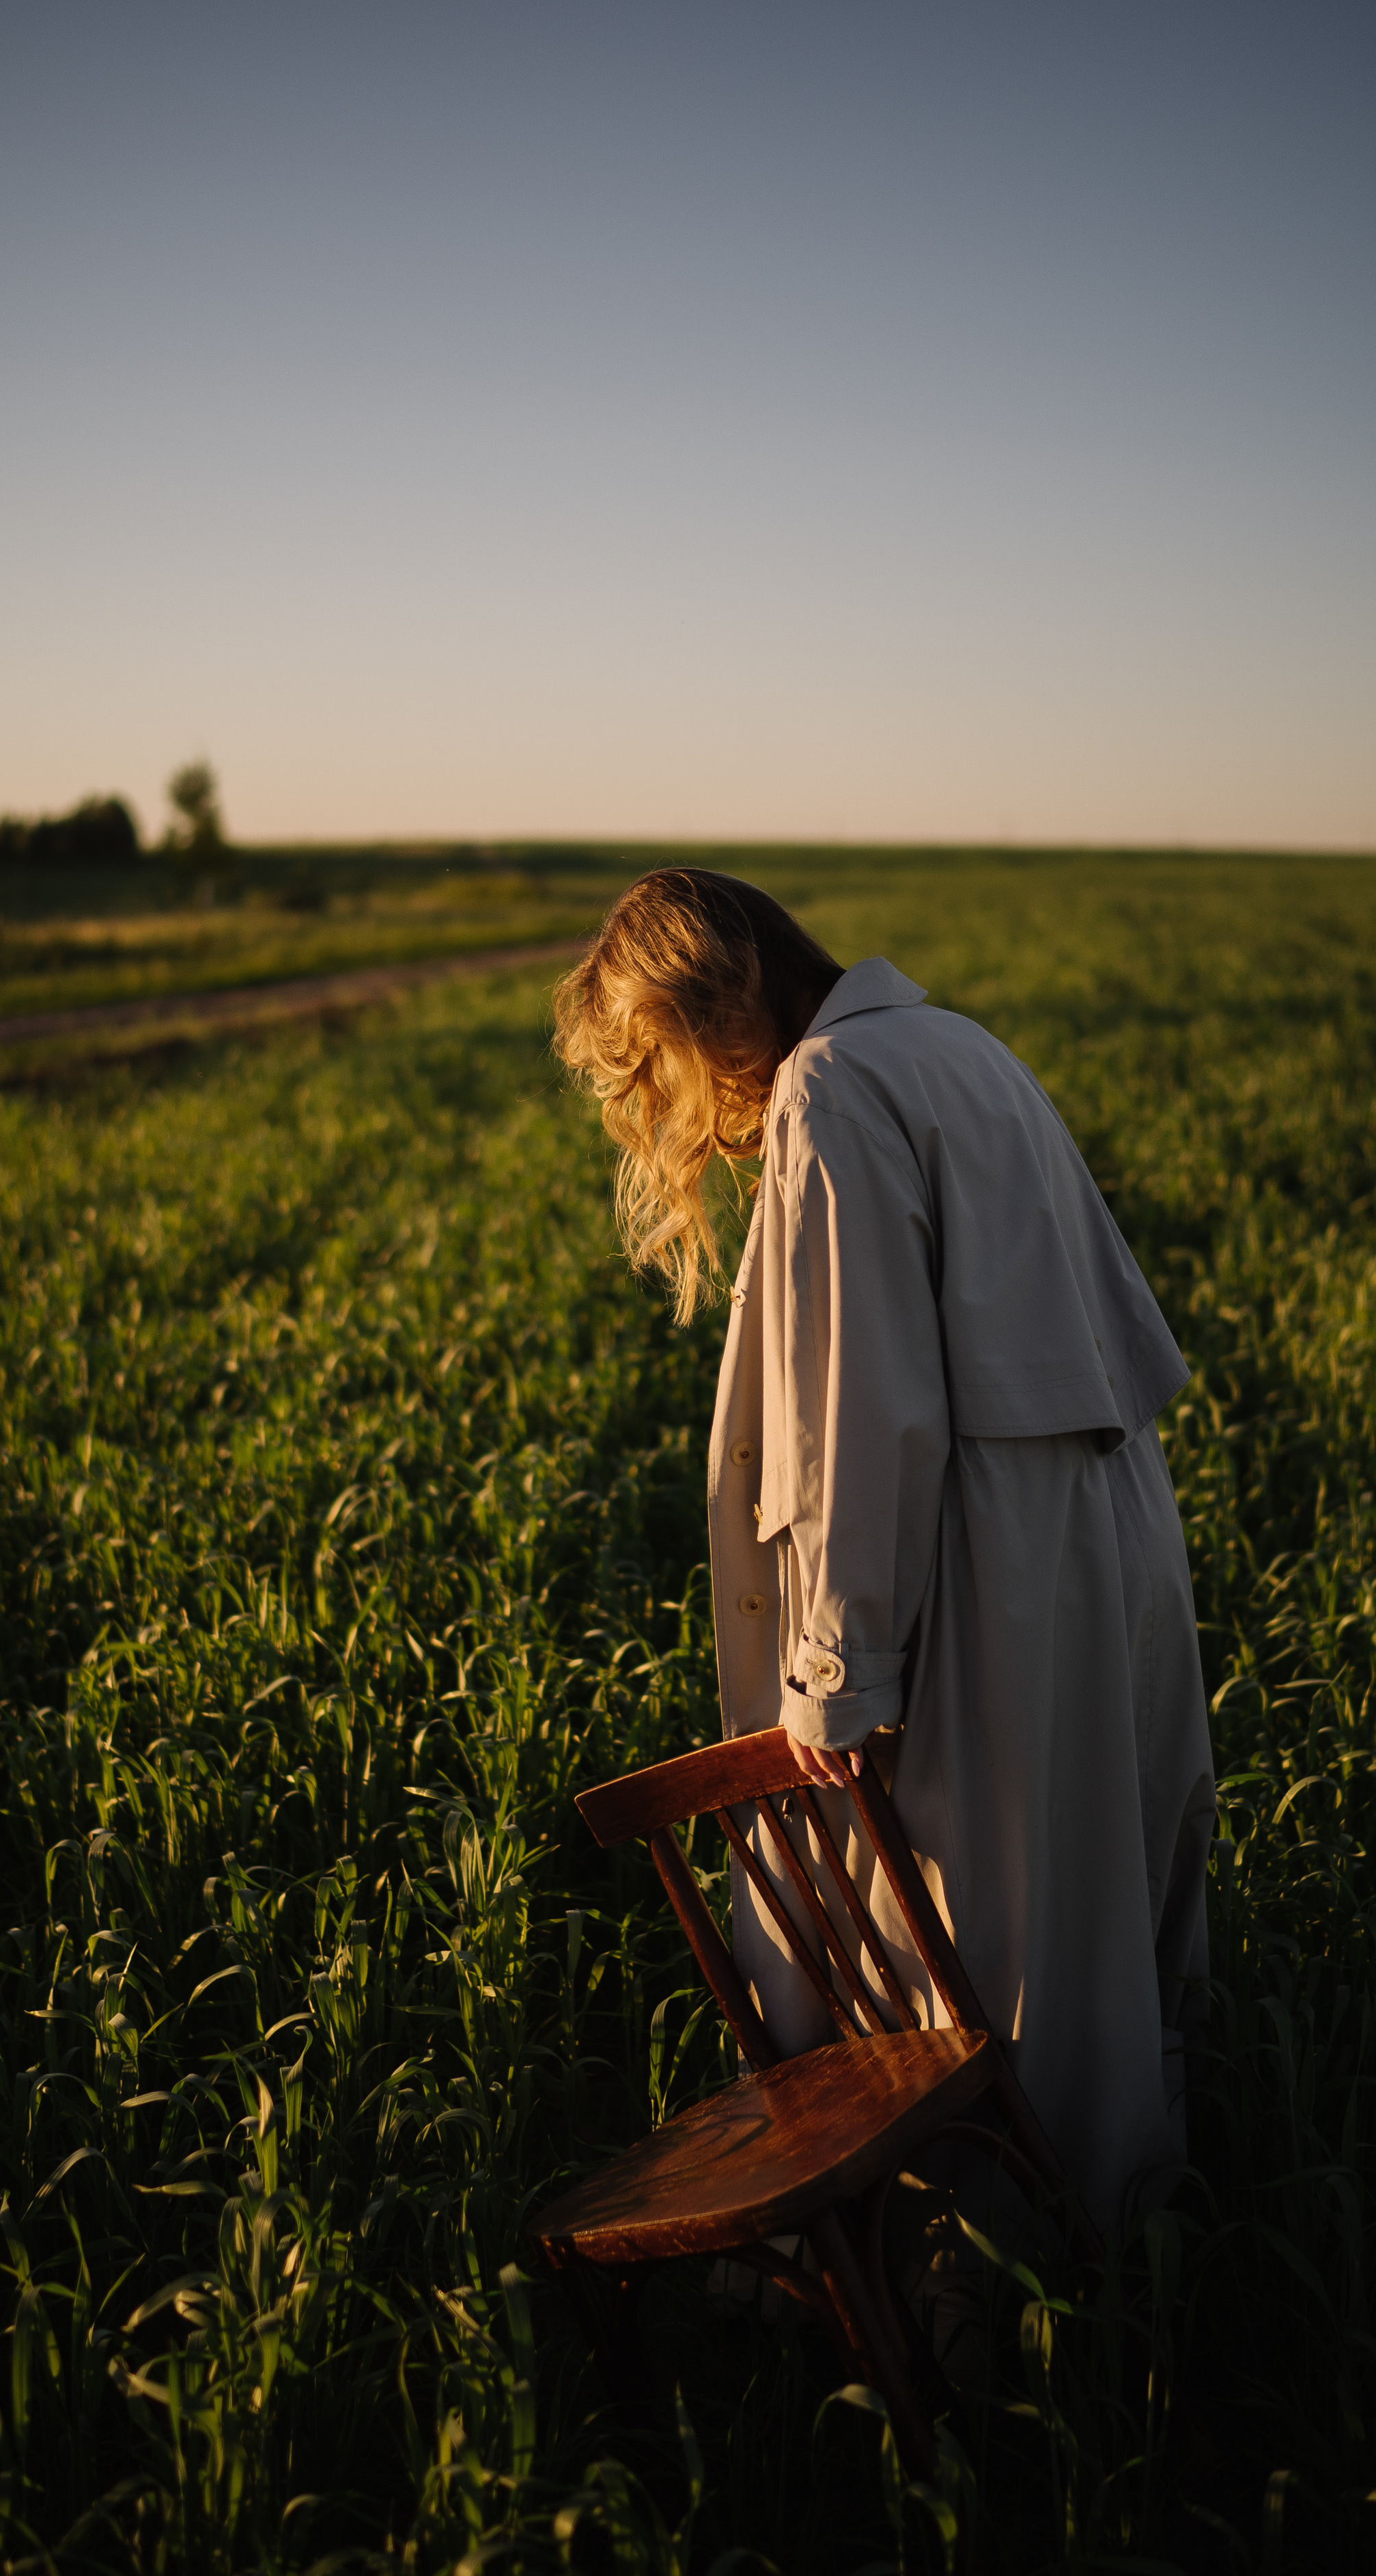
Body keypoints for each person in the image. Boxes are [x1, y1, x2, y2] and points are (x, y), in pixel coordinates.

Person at [552, 866, 1217, 2241]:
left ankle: (1005, 2294)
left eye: (655, 1061)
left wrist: (838, 1677)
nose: (671, 1102)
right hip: (1090, 1527)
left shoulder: (829, 1089)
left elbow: (865, 1412)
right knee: (1093, 1897)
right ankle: (1131, 2242)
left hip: (982, 1565)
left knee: (982, 1938)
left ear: (707, 1005)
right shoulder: (951, 1043)